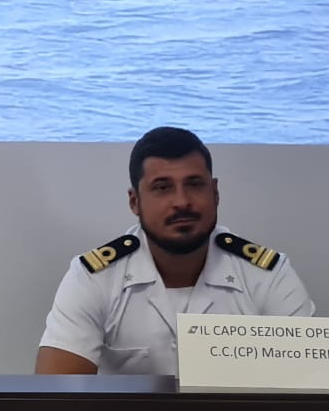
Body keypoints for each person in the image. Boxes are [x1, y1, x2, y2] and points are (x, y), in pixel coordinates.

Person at [35, 126, 314, 375]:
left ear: (215, 192)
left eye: (194, 185)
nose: (181, 202)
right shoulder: (94, 277)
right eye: (162, 187)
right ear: (135, 201)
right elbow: (56, 399)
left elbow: (311, 385)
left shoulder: (268, 274)